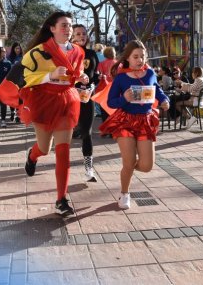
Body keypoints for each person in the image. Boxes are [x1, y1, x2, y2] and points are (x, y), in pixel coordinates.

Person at [21, 11, 89, 216]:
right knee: (44, 148)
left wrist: (81, 78)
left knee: (63, 151)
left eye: (70, 25)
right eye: (63, 25)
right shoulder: (38, 52)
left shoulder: (78, 52)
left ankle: (61, 199)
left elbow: (73, 76)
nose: (68, 29)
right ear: (52, 28)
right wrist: (50, 74)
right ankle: (32, 157)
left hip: (67, 101)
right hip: (44, 101)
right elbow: (27, 77)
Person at [99, 40, 169, 210]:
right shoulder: (121, 78)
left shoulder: (150, 73)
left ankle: (127, 169)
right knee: (129, 161)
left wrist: (165, 100)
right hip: (125, 121)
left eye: (143, 56)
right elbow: (111, 102)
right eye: (136, 57)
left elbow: (158, 90)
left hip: (145, 120)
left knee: (146, 166)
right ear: (128, 59)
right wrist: (125, 99)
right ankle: (124, 193)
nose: (140, 60)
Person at [71, 24, 100, 183]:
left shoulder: (92, 54)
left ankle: (89, 169)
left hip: (87, 97)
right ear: (72, 36)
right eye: (78, 34)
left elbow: (94, 76)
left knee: (87, 132)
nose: (82, 36)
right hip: (69, 98)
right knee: (65, 133)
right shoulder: (67, 52)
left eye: (84, 33)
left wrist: (94, 84)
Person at [96, 46, 116, 134]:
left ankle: (105, 129)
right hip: (115, 89)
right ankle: (113, 129)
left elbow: (98, 75)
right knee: (113, 110)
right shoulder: (117, 64)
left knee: (103, 110)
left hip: (103, 88)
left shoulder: (101, 64)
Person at [7, 42, 24, 121]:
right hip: (12, 81)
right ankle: (12, 111)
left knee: (20, 98)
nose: (18, 50)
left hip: (21, 81)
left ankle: (18, 115)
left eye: (19, 48)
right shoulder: (10, 58)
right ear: (13, 49)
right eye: (16, 48)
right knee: (12, 97)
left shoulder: (23, 57)